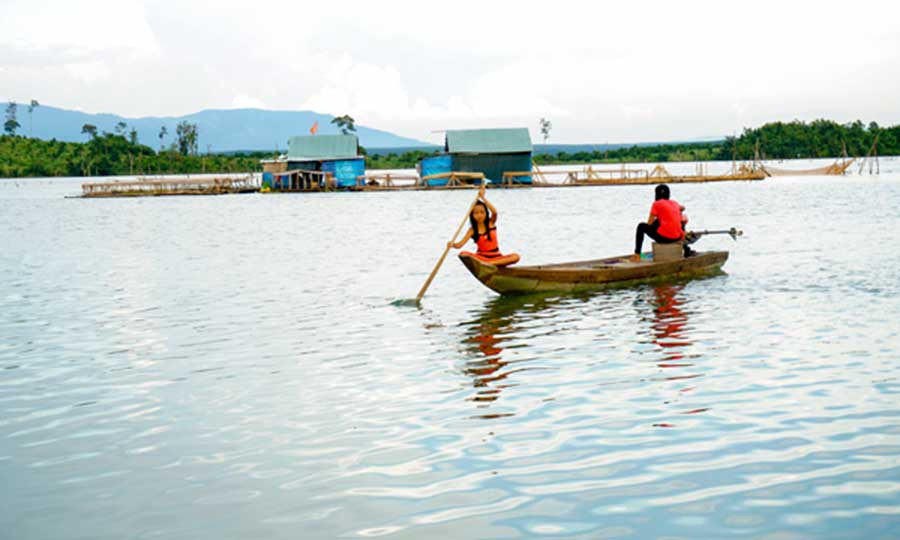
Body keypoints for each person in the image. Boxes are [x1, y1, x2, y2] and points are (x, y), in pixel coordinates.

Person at [449, 184, 520, 267]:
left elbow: (494, 212)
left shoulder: (491, 223)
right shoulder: (472, 230)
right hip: (482, 258)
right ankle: (488, 264)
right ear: (472, 215)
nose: (479, 215)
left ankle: (491, 264)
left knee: (516, 257)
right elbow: (460, 245)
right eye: (476, 213)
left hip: (496, 257)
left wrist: (483, 198)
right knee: (463, 254)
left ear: (486, 213)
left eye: (482, 212)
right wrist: (452, 244)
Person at [630, 184, 690, 262]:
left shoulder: (656, 204)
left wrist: (657, 219)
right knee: (678, 221)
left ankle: (637, 255)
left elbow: (649, 223)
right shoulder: (675, 203)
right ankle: (685, 248)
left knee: (641, 226)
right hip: (677, 237)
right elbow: (683, 207)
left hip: (665, 238)